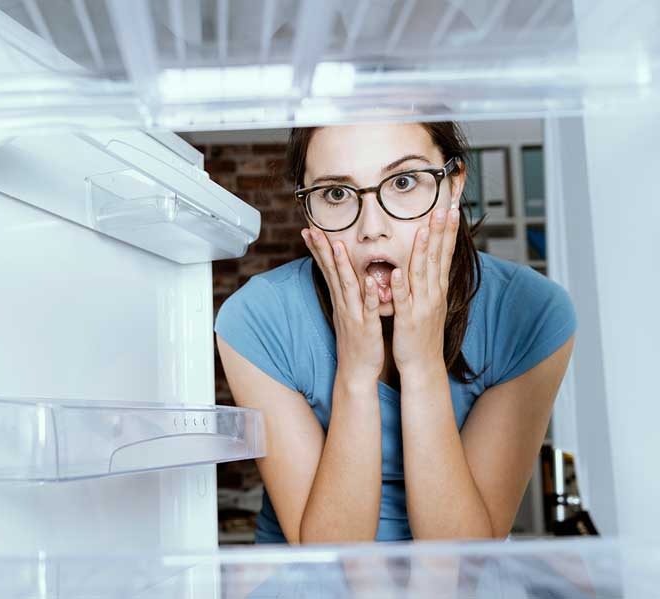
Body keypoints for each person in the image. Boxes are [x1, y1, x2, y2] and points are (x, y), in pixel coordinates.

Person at [214, 122, 576, 544]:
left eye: (403, 182)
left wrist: (422, 366)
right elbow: (329, 557)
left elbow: (460, 557)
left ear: (454, 184)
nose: (372, 227)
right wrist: (355, 373)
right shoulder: (256, 318)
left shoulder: (531, 313)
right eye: (336, 193)